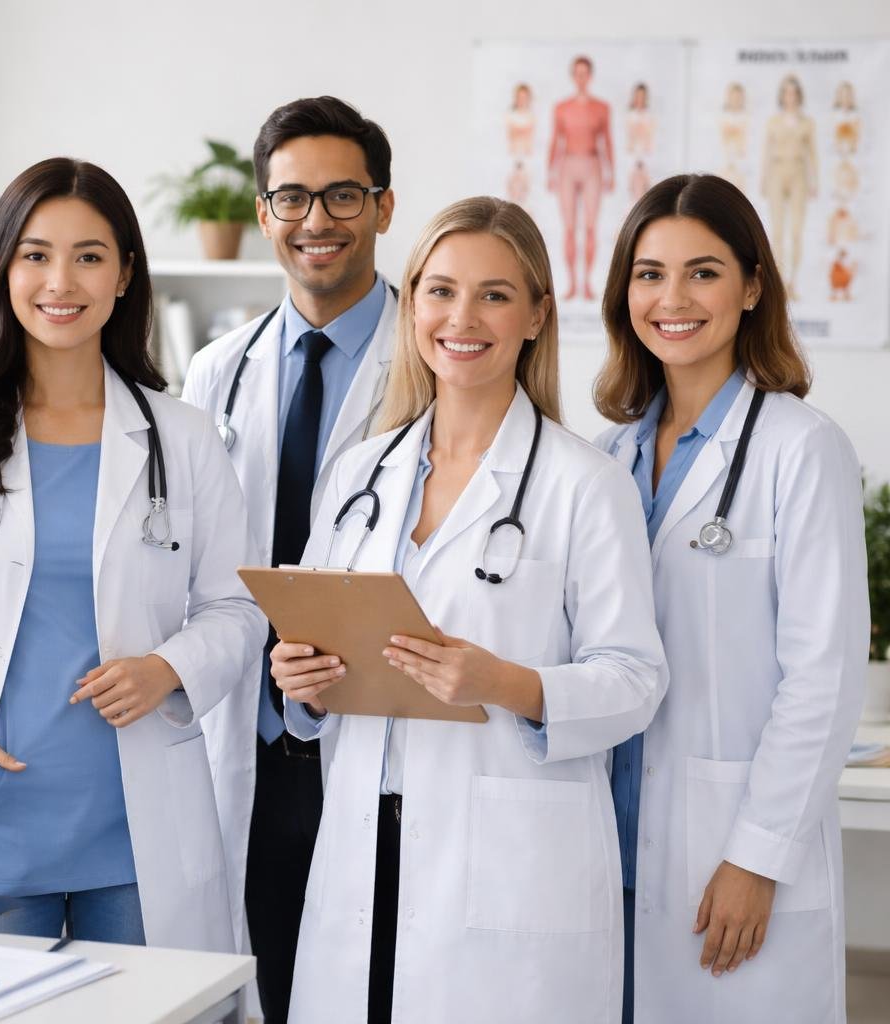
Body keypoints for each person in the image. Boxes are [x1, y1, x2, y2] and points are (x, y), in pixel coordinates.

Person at [0, 158, 262, 948]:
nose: (60, 280)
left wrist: (168, 667)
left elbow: (236, 610)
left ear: (125, 274)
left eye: (89, 255)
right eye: (35, 254)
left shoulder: (183, 438)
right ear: (2, 269)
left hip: (136, 835)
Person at [272, 196, 666, 1023]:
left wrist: (504, 682)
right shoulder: (358, 476)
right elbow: (311, 676)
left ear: (535, 316)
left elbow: (635, 680)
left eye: (494, 294)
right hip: (359, 850)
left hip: (505, 867)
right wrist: (299, 679)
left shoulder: (584, 485)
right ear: (412, 302)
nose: (463, 317)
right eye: (440, 290)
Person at [595, 173, 867, 1024]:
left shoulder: (801, 448)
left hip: (727, 844)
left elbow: (823, 676)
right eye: (649, 273)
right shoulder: (605, 457)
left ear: (752, 288)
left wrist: (757, 857)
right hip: (603, 839)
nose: (672, 298)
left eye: (703, 272)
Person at [181, 95, 398, 1023]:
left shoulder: (435, 359)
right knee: (258, 975)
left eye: (343, 196)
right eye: (293, 198)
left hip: (379, 731)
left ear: (384, 208)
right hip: (247, 741)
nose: (317, 221)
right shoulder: (213, 371)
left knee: (374, 985)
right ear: (263, 213)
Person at [548, 55, 615, 300]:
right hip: (567, 164)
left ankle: (586, 283)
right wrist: (551, 172)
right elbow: (555, 140)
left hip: (592, 164)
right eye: (577, 73)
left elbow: (607, 140)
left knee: (589, 227)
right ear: (572, 76)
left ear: (590, 76)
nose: (581, 78)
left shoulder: (602, 107)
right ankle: (572, 284)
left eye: (585, 73)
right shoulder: (562, 107)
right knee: (568, 228)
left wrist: (611, 172)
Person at [760, 75, 817, 298]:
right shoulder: (773, 121)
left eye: (793, 92)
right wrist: (763, 178)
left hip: (798, 173)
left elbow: (813, 153)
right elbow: (766, 150)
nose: (790, 97)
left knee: (796, 231)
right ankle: (780, 283)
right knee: (777, 231)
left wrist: (815, 180)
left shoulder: (807, 122)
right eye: (786, 92)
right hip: (776, 172)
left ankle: (793, 281)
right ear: (781, 96)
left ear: (799, 95)